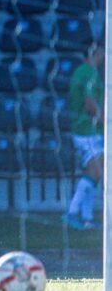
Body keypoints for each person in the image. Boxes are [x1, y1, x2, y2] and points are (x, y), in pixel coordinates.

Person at [64, 41, 104, 230]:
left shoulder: (81, 71)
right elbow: (89, 102)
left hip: (85, 129)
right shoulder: (89, 72)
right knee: (97, 171)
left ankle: (87, 219)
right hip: (87, 130)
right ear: (94, 53)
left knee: (95, 172)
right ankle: (71, 213)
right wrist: (106, 121)